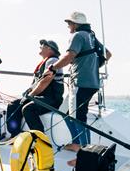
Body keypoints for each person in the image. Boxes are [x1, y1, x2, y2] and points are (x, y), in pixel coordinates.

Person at [45, 11, 111, 151]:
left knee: (78, 118)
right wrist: (92, 67)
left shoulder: (77, 35)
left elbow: (69, 56)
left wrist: (53, 68)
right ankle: (77, 144)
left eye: (69, 23)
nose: (68, 26)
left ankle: (85, 152)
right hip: (91, 83)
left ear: (75, 24)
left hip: (80, 83)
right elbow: (107, 54)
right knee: (64, 111)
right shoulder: (90, 36)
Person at [21, 39, 65, 133]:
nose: (40, 46)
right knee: (14, 104)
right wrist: (28, 92)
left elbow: (45, 82)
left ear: (49, 48)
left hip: (52, 99)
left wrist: (31, 95)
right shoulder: (45, 62)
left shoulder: (53, 61)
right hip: (41, 96)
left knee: (28, 109)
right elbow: (37, 83)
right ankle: (15, 135)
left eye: (42, 45)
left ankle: (40, 139)